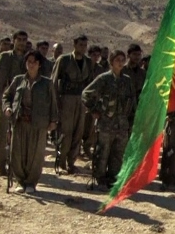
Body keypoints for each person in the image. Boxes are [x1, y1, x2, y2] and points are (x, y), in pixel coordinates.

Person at [2, 51, 58, 193]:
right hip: (20, 121)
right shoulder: (18, 80)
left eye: (34, 62)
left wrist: (53, 120)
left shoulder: (47, 83)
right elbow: (7, 96)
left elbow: (53, 102)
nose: (31, 65)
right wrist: (7, 108)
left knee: (36, 154)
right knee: (17, 153)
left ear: (39, 64)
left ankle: (31, 183)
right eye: (29, 62)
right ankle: (20, 181)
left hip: (39, 123)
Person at [81, 50, 136, 188]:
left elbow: (132, 101)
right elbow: (86, 94)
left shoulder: (127, 80)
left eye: (122, 60)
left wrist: (132, 119)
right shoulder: (104, 79)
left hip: (122, 124)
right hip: (106, 123)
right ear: (111, 62)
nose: (120, 63)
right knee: (102, 152)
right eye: (117, 60)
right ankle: (100, 179)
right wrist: (94, 110)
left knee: (118, 154)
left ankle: (113, 179)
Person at [0, 30, 28, 176]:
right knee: (2, 133)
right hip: (5, 99)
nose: (21, 42)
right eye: (19, 39)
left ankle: (17, 167)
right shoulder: (4, 57)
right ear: (14, 41)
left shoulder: (29, 59)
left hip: (22, 100)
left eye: (24, 40)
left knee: (19, 135)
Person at [51, 34, 93, 174]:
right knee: (66, 132)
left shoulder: (88, 62)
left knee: (78, 133)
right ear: (74, 45)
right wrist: (56, 102)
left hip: (81, 100)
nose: (83, 48)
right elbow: (54, 82)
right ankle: (61, 162)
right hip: (66, 98)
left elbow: (90, 83)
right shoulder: (64, 60)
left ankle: (71, 162)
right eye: (81, 45)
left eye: (85, 45)